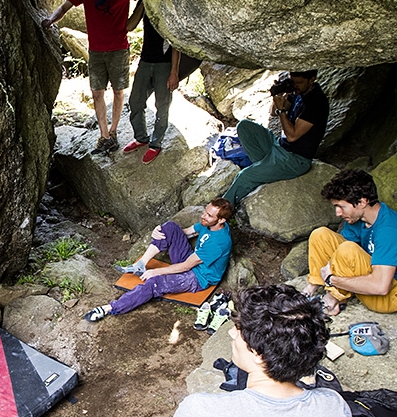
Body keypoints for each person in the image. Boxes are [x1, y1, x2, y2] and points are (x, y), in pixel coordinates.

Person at [160, 284, 354, 417]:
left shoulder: (200, 411)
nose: (233, 333)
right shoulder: (335, 407)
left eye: (240, 330)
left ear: (258, 354)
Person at [83, 198, 233, 322]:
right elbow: (184, 233)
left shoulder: (219, 243)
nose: (203, 217)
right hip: (191, 261)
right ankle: (140, 264)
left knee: (154, 283)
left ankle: (110, 308)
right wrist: (160, 231)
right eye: (205, 212)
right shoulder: (209, 224)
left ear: (221, 220)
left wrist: (155, 272)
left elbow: (186, 266)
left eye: (209, 215)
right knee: (170, 227)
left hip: (198, 277)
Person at [42, 0, 139, 155]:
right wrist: (50, 20)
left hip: (119, 48)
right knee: (97, 93)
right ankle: (104, 136)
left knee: (118, 92)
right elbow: (65, 7)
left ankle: (113, 132)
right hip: (96, 50)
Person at [223, 70, 329, 208]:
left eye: (299, 82)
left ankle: (223, 209)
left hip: (294, 159)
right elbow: (273, 112)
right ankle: (264, 170)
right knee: (244, 126)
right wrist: (278, 95)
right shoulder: (299, 92)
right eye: (293, 82)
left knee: (245, 176)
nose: (295, 85)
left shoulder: (316, 103)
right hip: (279, 145)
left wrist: (282, 111)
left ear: (312, 79)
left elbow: (292, 136)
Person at [304, 169, 397, 315]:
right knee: (320, 234)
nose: (338, 213)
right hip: (369, 275)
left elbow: (381, 286)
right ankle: (311, 289)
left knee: (348, 249)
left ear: (362, 201)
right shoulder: (358, 218)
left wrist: (332, 279)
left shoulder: (389, 229)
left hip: (389, 295)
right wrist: (329, 270)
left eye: (341, 207)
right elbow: (339, 257)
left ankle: (332, 300)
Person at [123, 0, 181, 165]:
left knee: (162, 105)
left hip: (164, 64)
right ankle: (141, 138)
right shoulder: (146, 2)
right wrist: (143, 3)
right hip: (145, 62)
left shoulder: (170, 5)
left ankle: (155, 144)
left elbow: (176, 43)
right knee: (135, 101)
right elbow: (129, 26)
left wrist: (174, 72)